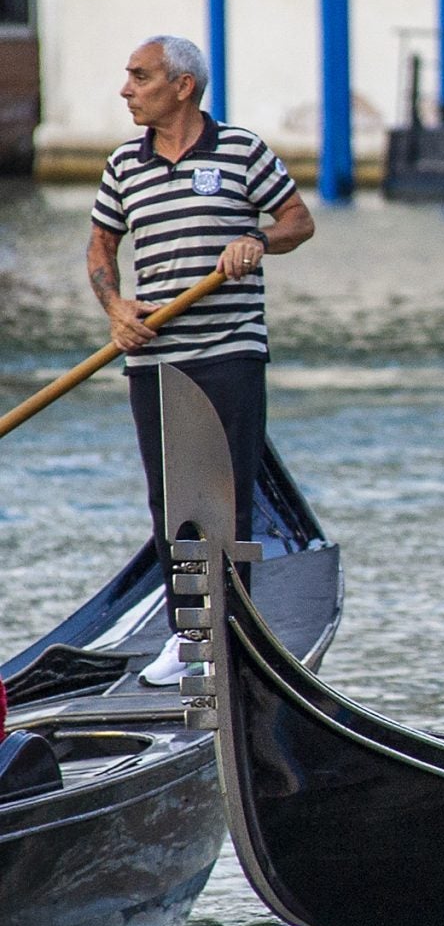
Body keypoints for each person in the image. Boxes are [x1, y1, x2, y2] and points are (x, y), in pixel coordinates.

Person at [89, 36, 314, 582]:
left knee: (227, 500)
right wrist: (116, 308)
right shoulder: (124, 164)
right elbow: (101, 245)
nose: (127, 90)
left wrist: (257, 241)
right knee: (170, 505)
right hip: (154, 356)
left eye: (140, 77)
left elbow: (298, 222)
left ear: (182, 86)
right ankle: (184, 634)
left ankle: (232, 626)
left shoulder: (241, 150)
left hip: (230, 349)